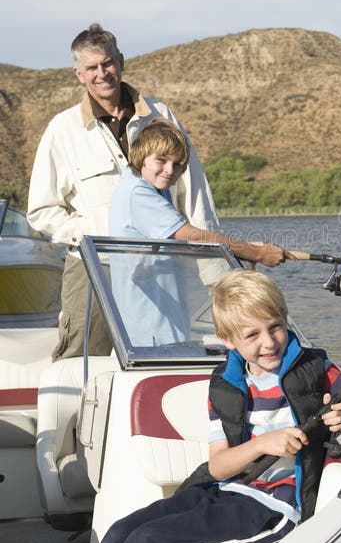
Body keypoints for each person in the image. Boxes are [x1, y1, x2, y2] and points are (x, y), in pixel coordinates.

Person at [83, 270, 341, 543]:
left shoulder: (316, 369)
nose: (269, 341)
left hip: (275, 509)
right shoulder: (225, 385)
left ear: (286, 319)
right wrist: (265, 444)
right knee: (121, 530)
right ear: (227, 339)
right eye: (252, 335)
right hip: (221, 491)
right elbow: (218, 466)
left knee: (148, 541)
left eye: (275, 326)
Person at [26, 23, 285, 360]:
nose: (102, 73)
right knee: (81, 356)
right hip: (95, 266)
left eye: (107, 63)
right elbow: (42, 211)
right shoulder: (62, 129)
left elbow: (194, 196)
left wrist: (216, 273)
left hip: (165, 265)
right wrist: (100, 233)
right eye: (92, 67)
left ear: (121, 61)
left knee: (164, 350)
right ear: (78, 74)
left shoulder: (161, 115)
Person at [108, 118, 287, 346]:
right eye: (161, 160)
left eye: (178, 164)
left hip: (165, 318)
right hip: (148, 325)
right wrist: (256, 253)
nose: (170, 170)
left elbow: (182, 245)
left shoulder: (152, 187)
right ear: (141, 156)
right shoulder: (137, 192)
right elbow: (192, 235)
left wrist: (239, 254)